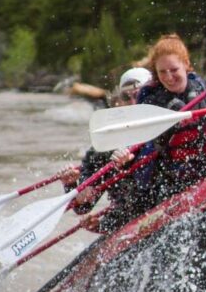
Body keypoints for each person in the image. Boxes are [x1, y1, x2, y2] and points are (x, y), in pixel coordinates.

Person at [127, 34, 206, 205]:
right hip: (172, 180)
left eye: (174, 70)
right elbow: (147, 146)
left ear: (186, 65)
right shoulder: (151, 102)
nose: (169, 77)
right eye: (162, 72)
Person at [59, 67, 153, 233]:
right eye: (126, 97)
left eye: (139, 95)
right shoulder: (104, 147)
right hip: (127, 221)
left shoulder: (168, 131)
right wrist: (71, 185)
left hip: (164, 208)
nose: (133, 103)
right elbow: (83, 207)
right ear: (118, 102)